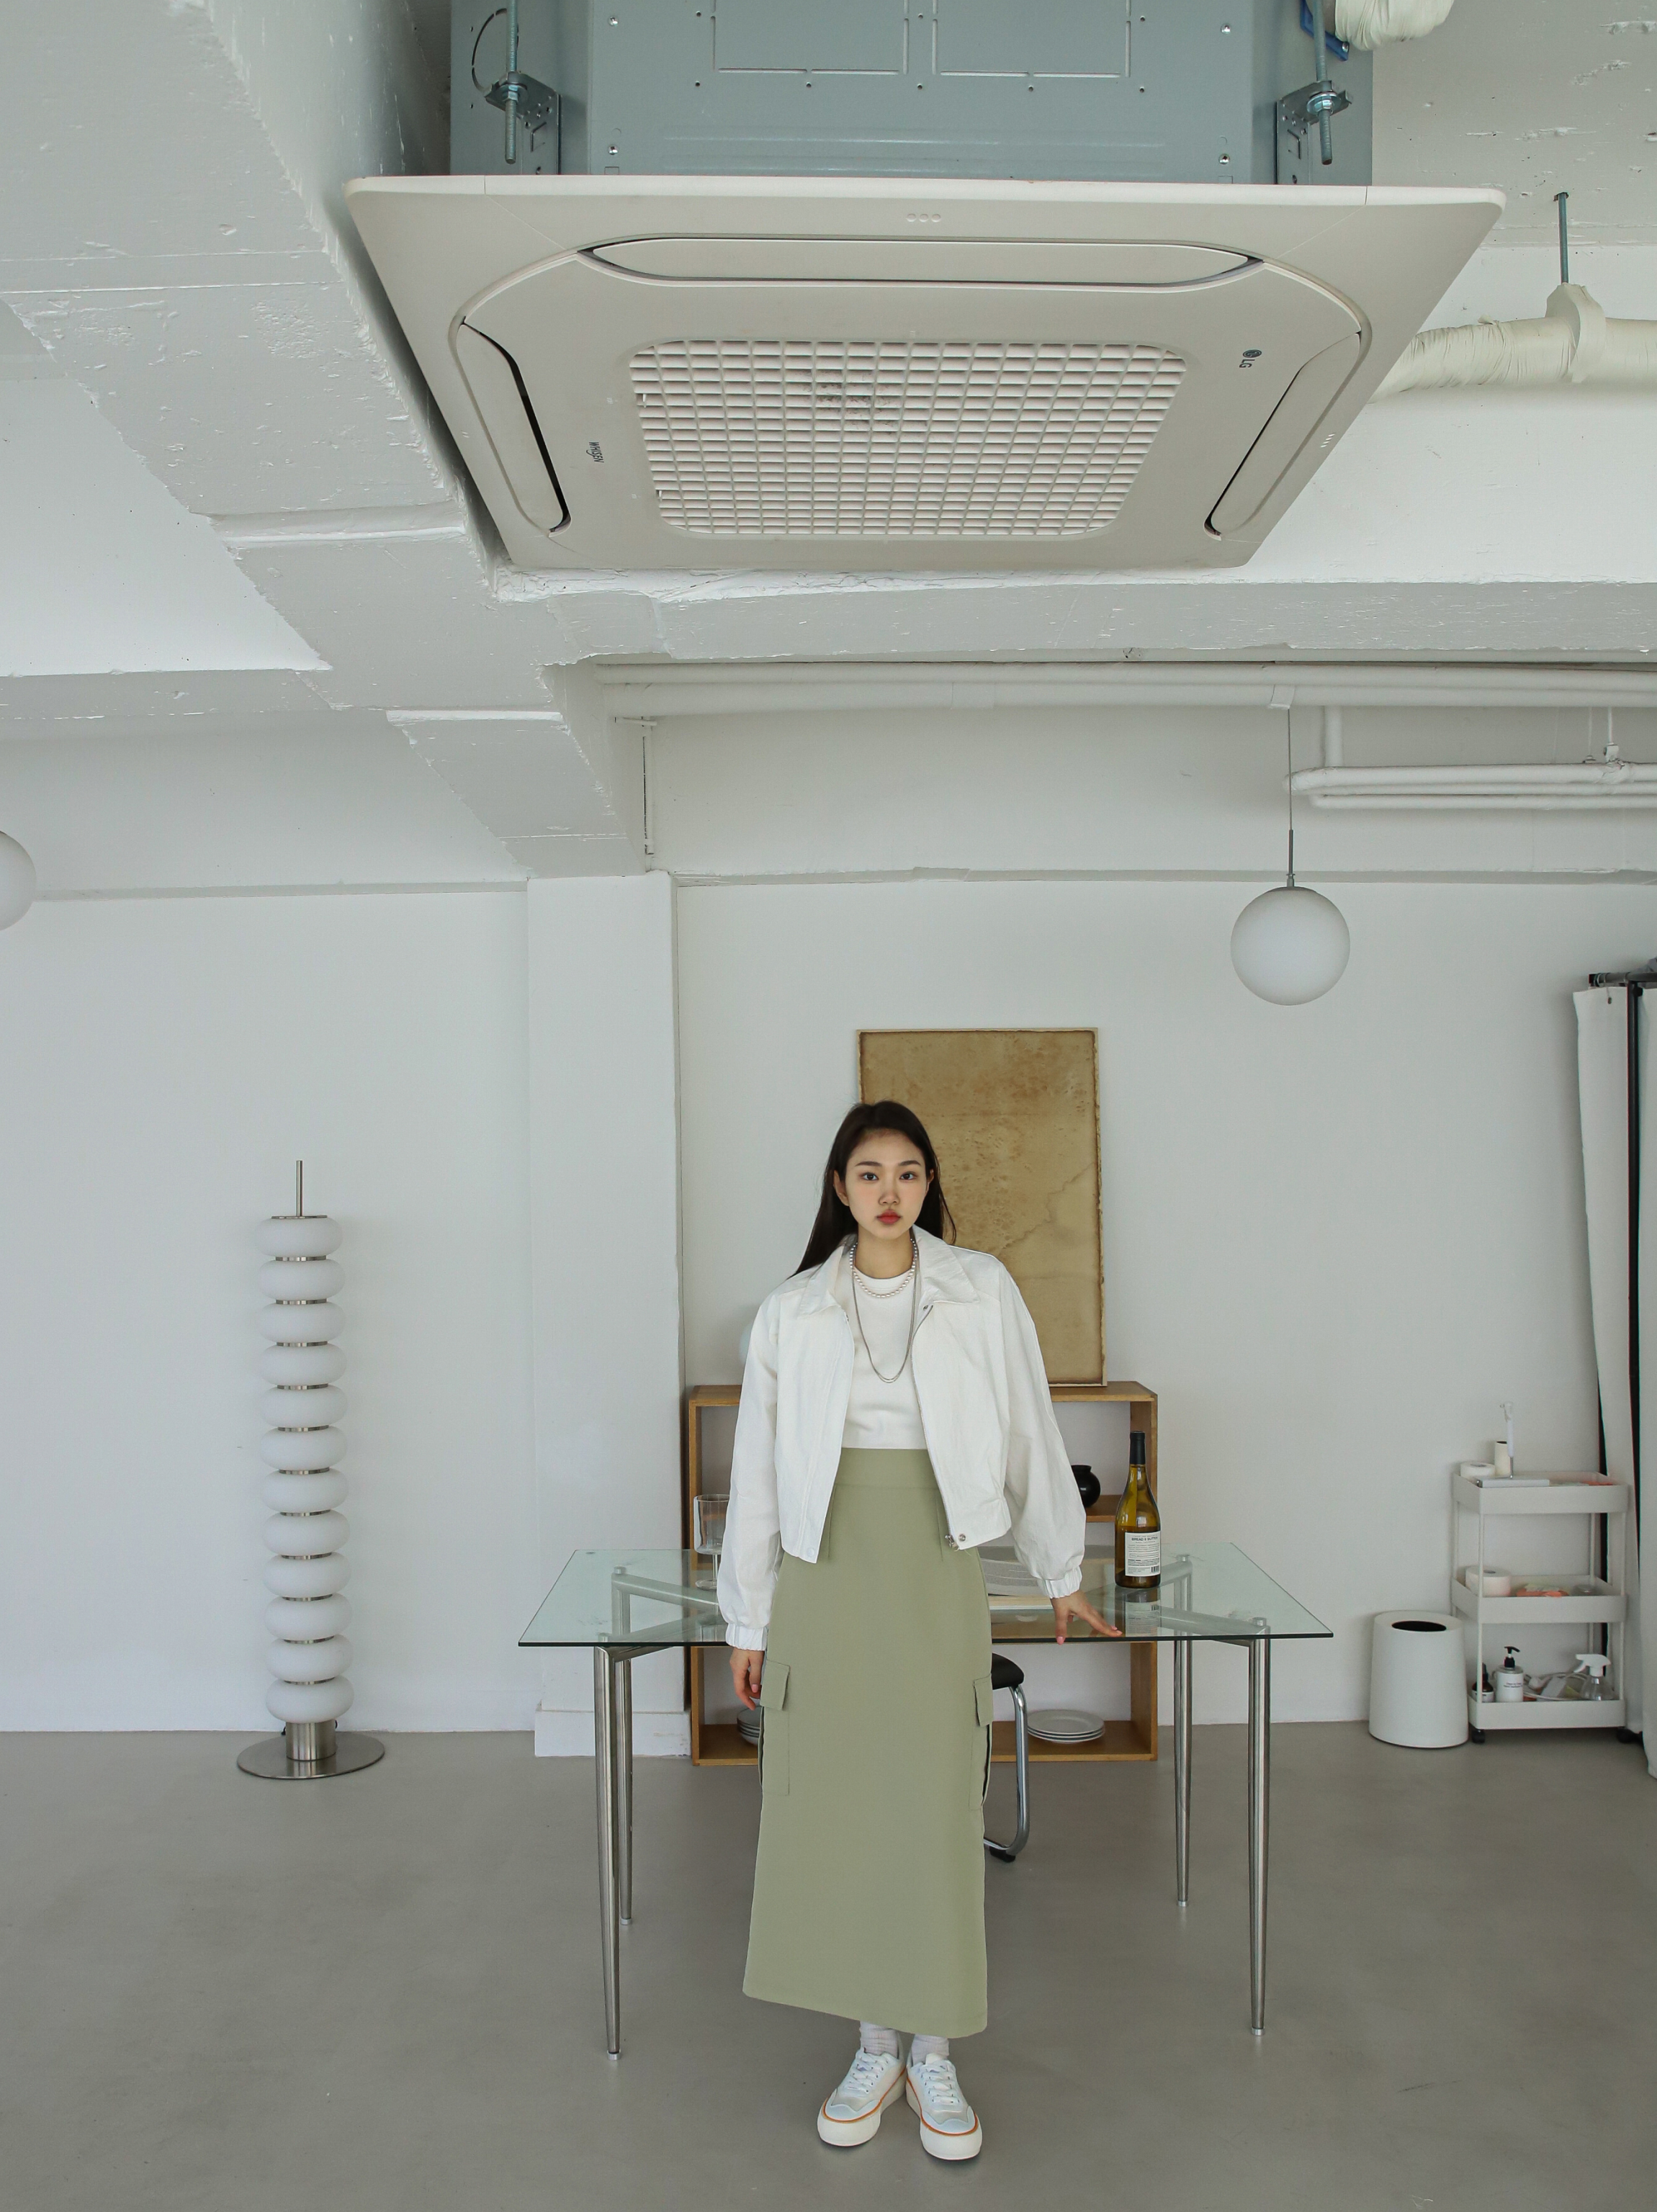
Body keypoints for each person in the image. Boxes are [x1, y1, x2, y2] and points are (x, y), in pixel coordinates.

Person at [718, 1100, 1120, 2161]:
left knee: (938, 1800)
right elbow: (756, 1474)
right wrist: (749, 1619)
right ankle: (873, 2046)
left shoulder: (978, 1288)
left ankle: (935, 2054)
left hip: (936, 1563)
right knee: (845, 1808)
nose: (887, 1192)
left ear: (928, 1183)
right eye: (867, 1174)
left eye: (906, 1172)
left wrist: (1061, 1566)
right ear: (839, 1189)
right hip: (826, 1571)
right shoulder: (793, 1311)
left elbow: (1029, 1423)